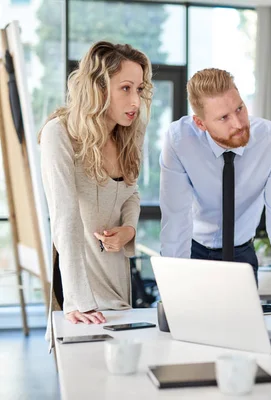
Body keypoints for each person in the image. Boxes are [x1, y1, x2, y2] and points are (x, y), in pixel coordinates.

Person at [40, 41, 152, 327]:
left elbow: (131, 195)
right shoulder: (60, 134)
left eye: (139, 89)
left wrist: (128, 229)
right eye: (125, 88)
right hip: (78, 287)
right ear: (99, 88)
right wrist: (79, 301)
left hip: (116, 276)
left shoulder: (129, 136)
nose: (136, 101)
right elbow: (65, 219)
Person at [159, 68, 271, 285]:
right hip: (194, 252)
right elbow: (176, 219)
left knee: (245, 319)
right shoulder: (180, 140)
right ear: (200, 123)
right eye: (223, 118)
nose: (238, 123)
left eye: (239, 108)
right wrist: (170, 290)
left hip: (242, 253)